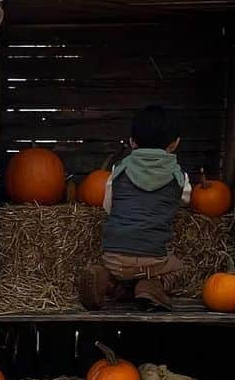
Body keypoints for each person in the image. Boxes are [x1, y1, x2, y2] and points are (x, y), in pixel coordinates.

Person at [76, 105, 191, 311]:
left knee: (120, 268)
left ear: (132, 142)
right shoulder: (178, 177)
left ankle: (106, 278)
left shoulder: (119, 170)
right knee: (179, 268)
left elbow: (108, 206)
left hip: (113, 257)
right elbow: (184, 200)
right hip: (152, 260)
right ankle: (151, 286)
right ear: (175, 144)